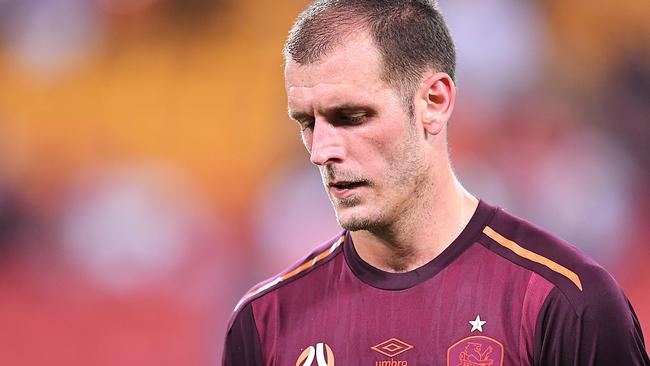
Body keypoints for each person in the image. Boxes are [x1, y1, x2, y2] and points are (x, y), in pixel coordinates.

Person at [222, 1, 649, 364]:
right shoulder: (265, 321)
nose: (321, 151)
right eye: (307, 122)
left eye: (352, 116)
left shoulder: (566, 303)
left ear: (434, 102)